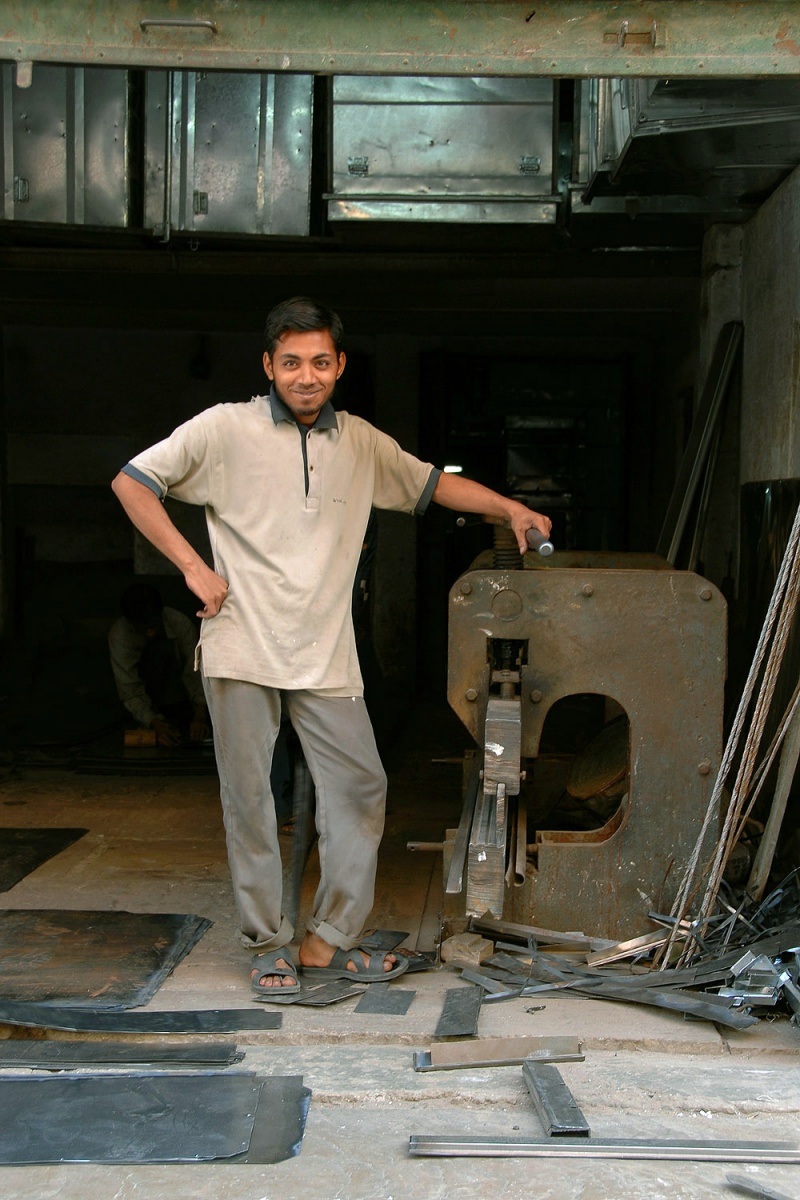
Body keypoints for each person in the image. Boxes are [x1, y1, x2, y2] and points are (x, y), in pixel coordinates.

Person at [111, 296, 550, 995]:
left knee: (360, 789)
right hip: (242, 646)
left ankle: (327, 941)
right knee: (251, 802)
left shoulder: (362, 444)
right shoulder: (223, 429)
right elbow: (133, 482)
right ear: (268, 365)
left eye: (319, 362)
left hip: (325, 654)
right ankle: (267, 942)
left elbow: (434, 485)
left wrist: (511, 508)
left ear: (339, 365)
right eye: (291, 363)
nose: (306, 376)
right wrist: (193, 568)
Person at [108, 582, 210, 746]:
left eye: (153, 626)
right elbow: (129, 690)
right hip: (147, 697)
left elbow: (196, 670)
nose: (150, 632)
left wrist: (200, 714)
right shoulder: (120, 638)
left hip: (181, 695)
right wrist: (154, 723)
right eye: (143, 628)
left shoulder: (179, 623)